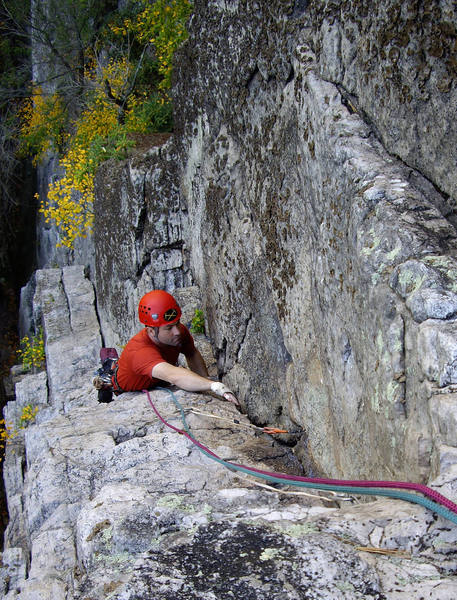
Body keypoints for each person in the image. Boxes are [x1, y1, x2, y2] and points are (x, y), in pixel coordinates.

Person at [94, 290, 239, 406]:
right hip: (128, 389)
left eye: (177, 323)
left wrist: (205, 383)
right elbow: (174, 376)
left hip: (157, 380)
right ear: (151, 331)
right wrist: (215, 387)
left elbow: (191, 352)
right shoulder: (140, 352)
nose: (177, 331)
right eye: (169, 328)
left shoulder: (177, 332)